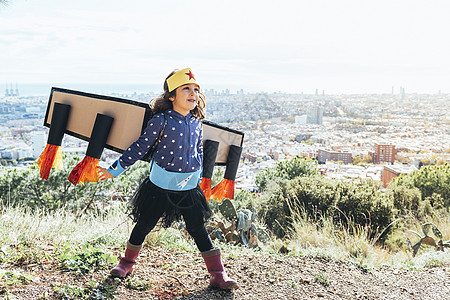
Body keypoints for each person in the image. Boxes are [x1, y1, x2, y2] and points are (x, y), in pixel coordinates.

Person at [98, 68, 238, 290]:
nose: (193, 93)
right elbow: (140, 148)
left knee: (198, 229)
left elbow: (198, 154)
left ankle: (218, 274)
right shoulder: (161, 121)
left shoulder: (196, 122)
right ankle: (126, 263)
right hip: (159, 187)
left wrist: (203, 180)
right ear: (171, 96)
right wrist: (114, 170)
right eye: (186, 89)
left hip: (189, 188)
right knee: (144, 224)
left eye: (196, 90)